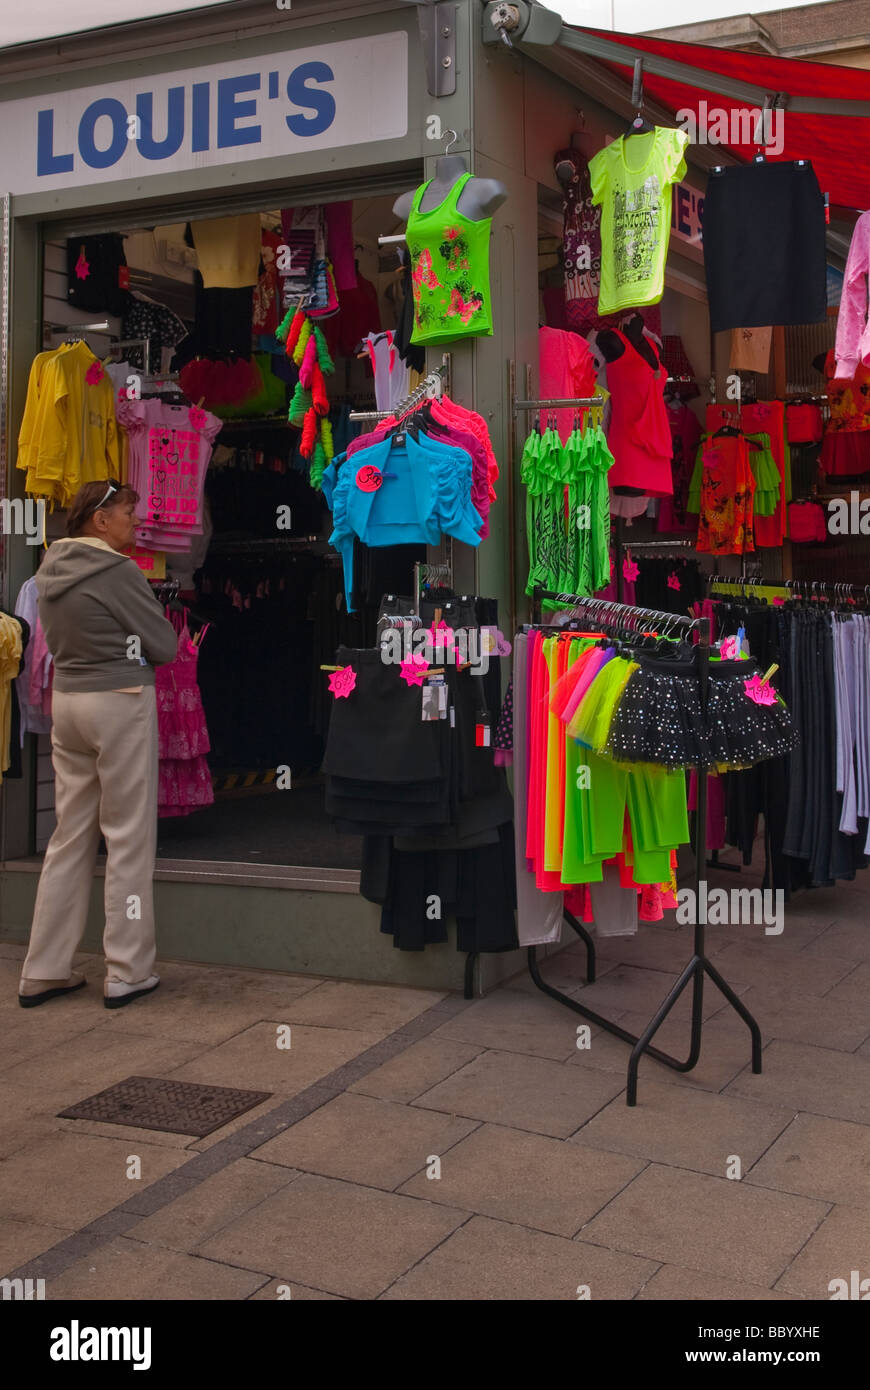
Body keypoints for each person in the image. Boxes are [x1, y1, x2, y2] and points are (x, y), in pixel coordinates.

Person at [18, 480, 179, 1009]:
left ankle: (43, 968)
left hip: (68, 704)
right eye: (129, 511)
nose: (136, 521)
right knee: (128, 836)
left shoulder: (48, 570)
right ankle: (127, 970)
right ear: (100, 519)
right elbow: (163, 644)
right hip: (119, 701)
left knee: (69, 837)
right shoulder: (117, 571)